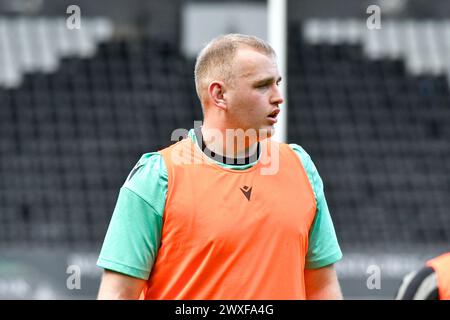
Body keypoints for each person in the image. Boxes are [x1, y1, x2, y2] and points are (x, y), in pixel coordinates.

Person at [96, 34, 343, 300]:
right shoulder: (157, 177)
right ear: (219, 94)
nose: (278, 97)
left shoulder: (300, 167)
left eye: (277, 83)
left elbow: (322, 287)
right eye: (262, 86)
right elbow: (118, 294)